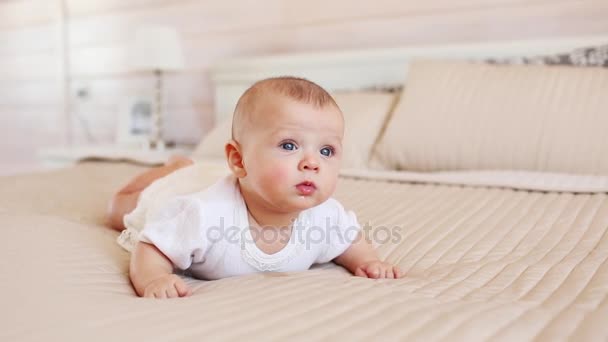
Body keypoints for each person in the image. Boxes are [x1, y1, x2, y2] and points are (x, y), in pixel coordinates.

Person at [109, 77, 402, 299]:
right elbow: (151, 246)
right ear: (238, 159)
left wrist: (368, 260)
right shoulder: (201, 214)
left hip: (223, 178)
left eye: (327, 151)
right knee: (117, 210)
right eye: (289, 145)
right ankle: (175, 168)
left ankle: (188, 167)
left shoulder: (325, 216)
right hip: (176, 189)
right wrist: (153, 279)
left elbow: (350, 240)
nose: (312, 163)